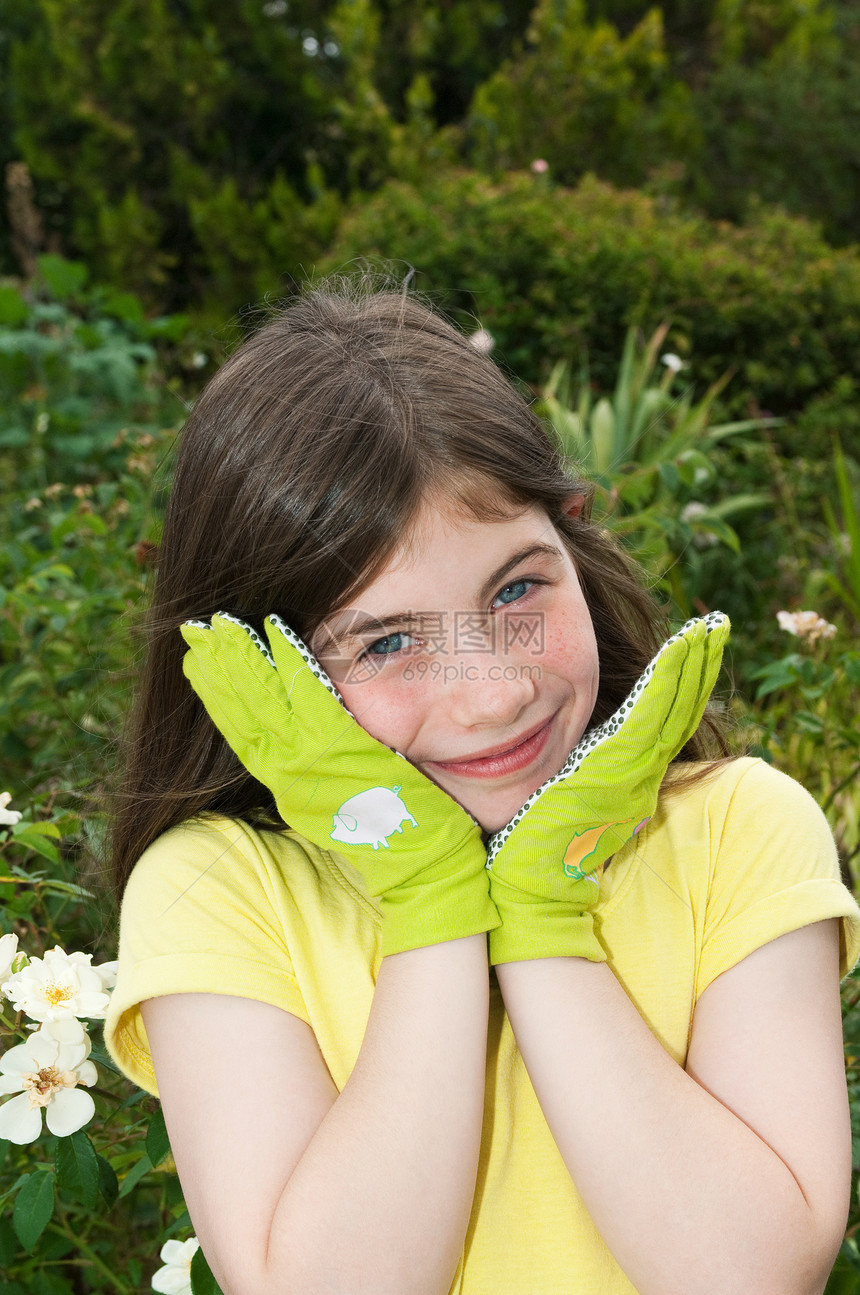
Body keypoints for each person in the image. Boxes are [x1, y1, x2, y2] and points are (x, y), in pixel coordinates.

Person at [105, 278, 860, 1295]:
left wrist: (545, 910)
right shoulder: (218, 887)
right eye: (386, 640)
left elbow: (749, 1274)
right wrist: (429, 898)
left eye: (515, 588)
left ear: (575, 543)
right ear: (255, 670)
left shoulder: (737, 827)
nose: (494, 691)